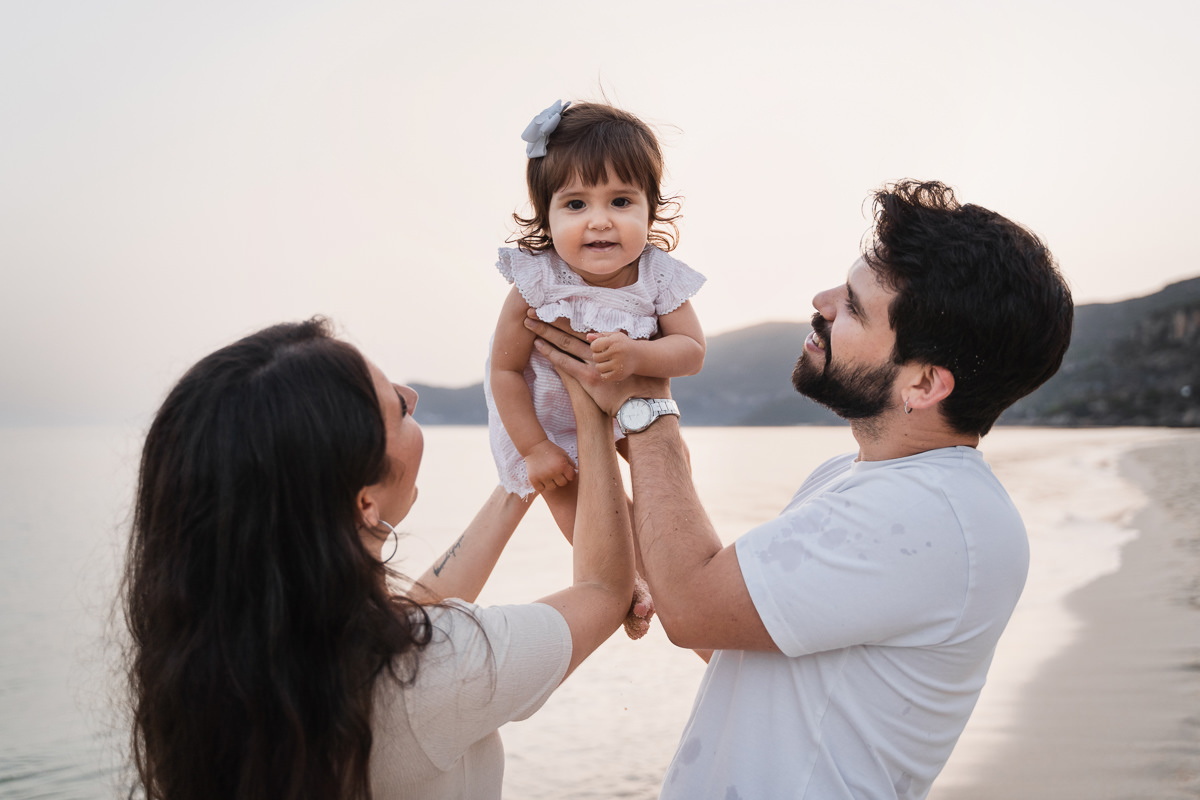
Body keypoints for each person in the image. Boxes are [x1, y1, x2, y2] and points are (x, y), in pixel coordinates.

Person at [528, 180, 1074, 799]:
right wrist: (561, 459)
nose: (822, 301)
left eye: (855, 306)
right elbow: (724, 630)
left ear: (923, 385)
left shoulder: (928, 515)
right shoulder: (856, 480)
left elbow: (691, 607)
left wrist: (649, 408)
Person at [121, 317, 635, 800]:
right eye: (398, 408)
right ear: (364, 502)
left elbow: (413, 617)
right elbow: (603, 592)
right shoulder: (437, 672)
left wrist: (522, 480)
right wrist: (588, 407)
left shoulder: (225, 662)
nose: (412, 395)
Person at [485, 100, 706, 637]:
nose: (600, 220)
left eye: (621, 201)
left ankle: (674, 568)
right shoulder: (537, 282)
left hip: (624, 409)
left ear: (652, 210)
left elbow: (691, 350)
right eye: (576, 203)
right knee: (572, 494)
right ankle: (626, 584)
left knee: (671, 458)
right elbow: (504, 372)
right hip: (544, 422)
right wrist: (535, 447)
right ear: (547, 215)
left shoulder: (656, 277)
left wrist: (640, 356)